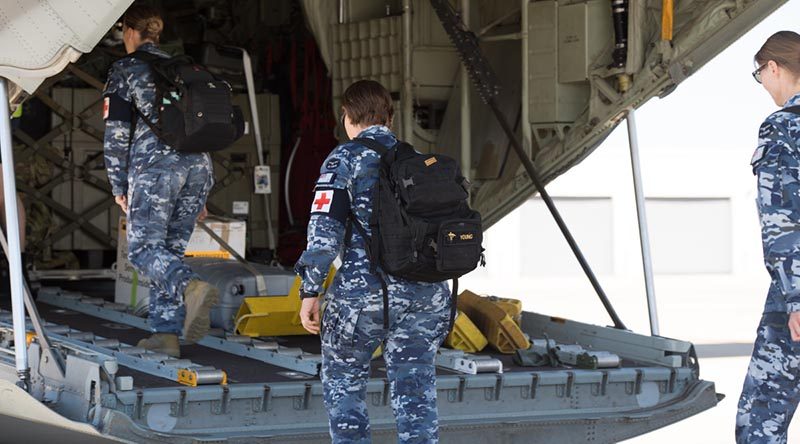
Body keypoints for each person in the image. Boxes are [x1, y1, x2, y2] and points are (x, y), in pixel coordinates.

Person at [295, 80, 452, 443]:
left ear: (346, 116)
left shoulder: (343, 159)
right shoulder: (419, 159)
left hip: (360, 299)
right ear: (390, 118)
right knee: (416, 392)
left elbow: (323, 234)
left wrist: (310, 292)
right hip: (424, 298)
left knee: (345, 386)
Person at [102, 4, 217, 358]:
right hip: (198, 167)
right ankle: (165, 334)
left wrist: (118, 185)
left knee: (143, 249)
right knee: (167, 252)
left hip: (156, 169)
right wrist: (201, 194)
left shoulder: (125, 69)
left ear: (129, 32)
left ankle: (190, 287)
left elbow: (117, 133)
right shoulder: (184, 67)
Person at [737, 30, 800, 443]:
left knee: (759, 423)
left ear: (774, 68)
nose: (764, 86)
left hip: (794, 299)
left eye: (761, 75)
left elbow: (782, 221)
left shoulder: (783, 127)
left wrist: (796, 297)